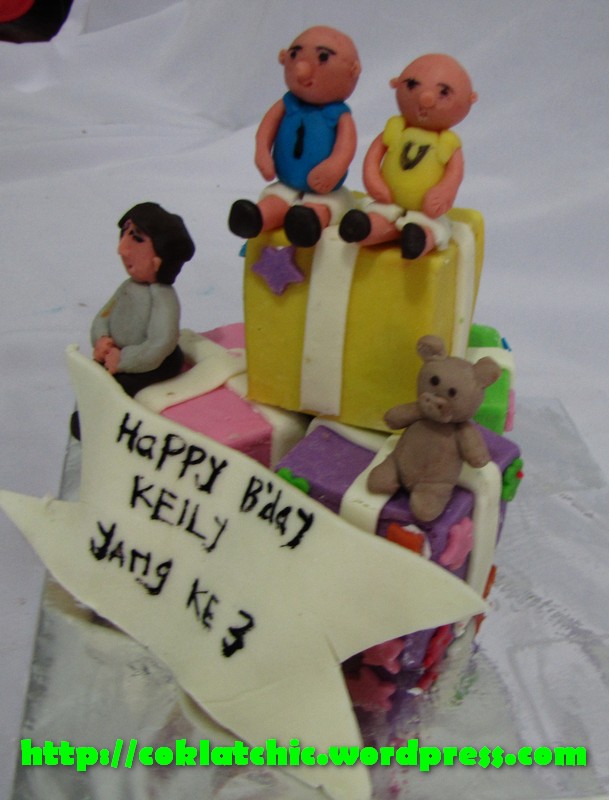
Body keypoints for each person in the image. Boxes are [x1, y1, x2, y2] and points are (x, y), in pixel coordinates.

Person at [228, 25, 361, 248]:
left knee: (323, 208)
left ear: (353, 70)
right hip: (286, 181)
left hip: (323, 189)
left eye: (323, 57)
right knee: (275, 201)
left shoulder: (339, 115)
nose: (302, 70)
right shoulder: (287, 103)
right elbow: (265, 130)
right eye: (295, 55)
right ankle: (255, 219)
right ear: (284, 57)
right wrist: (262, 152)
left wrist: (333, 167)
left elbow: (346, 147)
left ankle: (307, 225)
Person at [71, 202, 195, 439]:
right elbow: (104, 316)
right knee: (92, 377)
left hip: (152, 365)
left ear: (159, 259)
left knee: (118, 389)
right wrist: (102, 338)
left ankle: (107, 430)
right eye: (124, 234)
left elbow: (160, 344)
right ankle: (88, 415)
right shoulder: (127, 287)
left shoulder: (163, 298)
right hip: (116, 355)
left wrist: (123, 360)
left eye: (136, 239)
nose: (122, 250)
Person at [339, 54, 477, 259]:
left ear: (470, 100)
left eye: (444, 92)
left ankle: (418, 240)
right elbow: (373, 157)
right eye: (412, 85)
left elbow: (454, 174)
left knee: (432, 229)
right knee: (377, 218)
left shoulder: (448, 143)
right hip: (387, 201)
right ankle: (364, 229)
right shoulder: (396, 129)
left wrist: (444, 192)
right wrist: (373, 179)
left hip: (425, 212)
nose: (425, 98)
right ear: (396, 84)